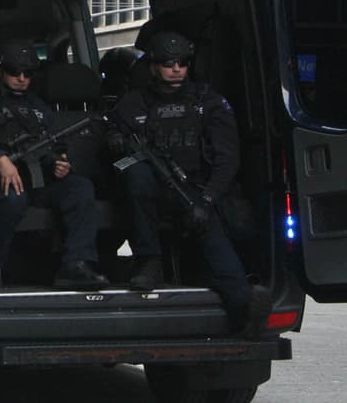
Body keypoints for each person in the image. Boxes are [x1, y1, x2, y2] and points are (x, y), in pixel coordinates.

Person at [110, 30, 269, 333]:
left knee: (221, 258)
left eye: (182, 62)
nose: (176, 69)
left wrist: (207, 201)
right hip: (152, 195)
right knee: (134, 174)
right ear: (154, 65)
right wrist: (116, 140)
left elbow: (227, 160)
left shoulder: (208, 102)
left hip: (196, 194)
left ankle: (245, 307)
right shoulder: (132, 104)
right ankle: (150, 260)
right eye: (169, 63)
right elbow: (115, 144)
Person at [0, 39, 108, 291]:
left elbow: (53, 146)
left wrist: (59, 164)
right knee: (13, 199)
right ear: (0, 71)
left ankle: (77, 265)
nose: (21, 78)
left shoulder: (38, 107)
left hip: (39, 180)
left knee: (80, 188)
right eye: (14, 72)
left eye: (28, 73)